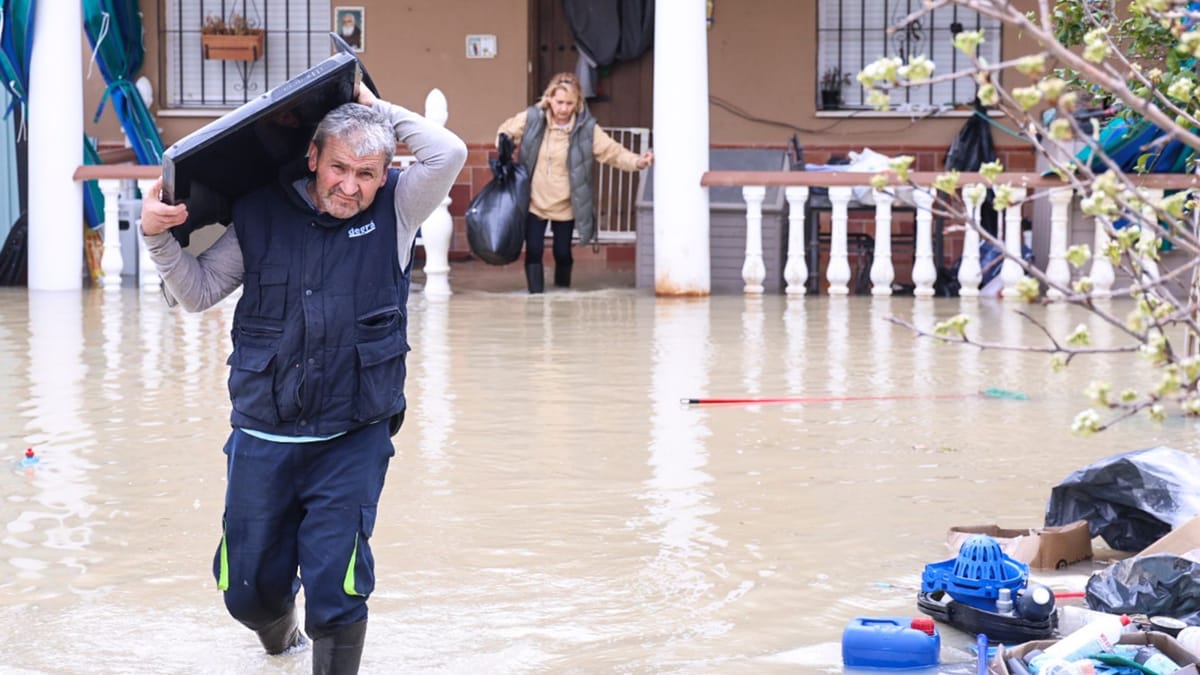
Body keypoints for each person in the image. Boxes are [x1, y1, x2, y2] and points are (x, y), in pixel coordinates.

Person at [139, 85, 467, 674]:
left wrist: (376, 107)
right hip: (264, 436)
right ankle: (282, 646)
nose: (351, 186)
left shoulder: (398, 209)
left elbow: (447, 152)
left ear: (386, 171)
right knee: (247, 592)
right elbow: (197, 293)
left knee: (336, 591)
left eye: (368, 173)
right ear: (313, 156)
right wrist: (157, 237)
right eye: (339, 167)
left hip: (352, 435)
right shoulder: (261, 212)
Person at [496, 72, 653, 293]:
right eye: (559, 102)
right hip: (534, 200)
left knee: (562, 252)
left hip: (567, 203)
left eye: (569, 103)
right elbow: (505, 132)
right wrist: (504, 147)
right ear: (549, 99)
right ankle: (536, 298)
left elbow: (612, 152)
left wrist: (637, 161)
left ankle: (562, 293)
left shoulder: (586, 130)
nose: (563, 109)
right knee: (533, 250)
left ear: (577, 104)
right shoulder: (532, 119)